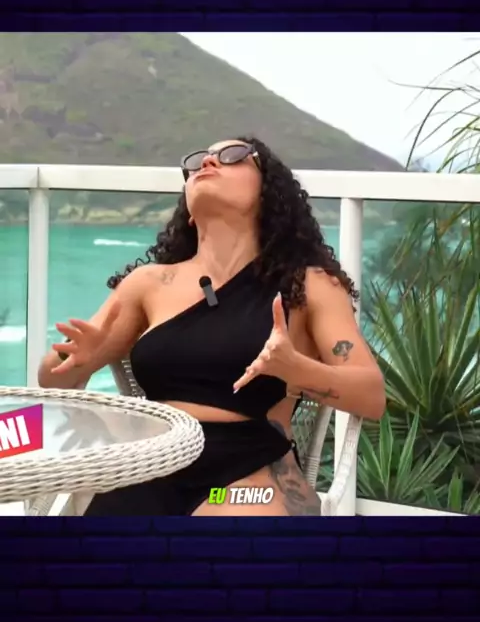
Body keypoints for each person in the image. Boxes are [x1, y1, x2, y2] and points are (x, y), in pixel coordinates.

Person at [38, 137, 385, 516]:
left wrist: (296, 370)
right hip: (154, 462)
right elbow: (54, 383)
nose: (208, 163)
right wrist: (72, 360)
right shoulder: (148, 284)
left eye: (233, 157)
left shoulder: (308, 284)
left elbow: (371, 396)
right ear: (189, 212)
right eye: (198, 161)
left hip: (246, 474)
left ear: (268, 194)